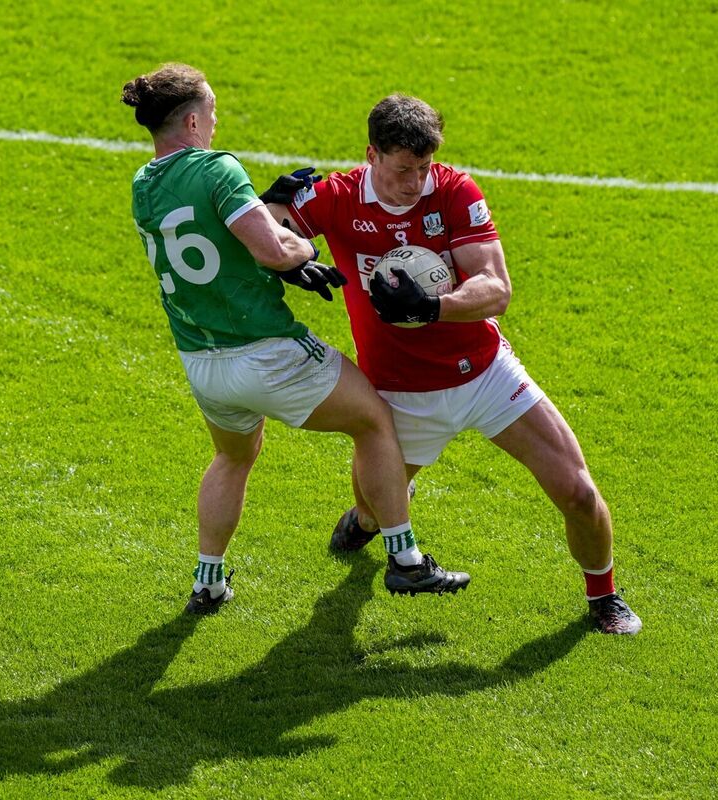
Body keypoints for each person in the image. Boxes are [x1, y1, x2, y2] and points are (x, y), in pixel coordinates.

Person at [259, 93, 641, 634]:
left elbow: (495, 288)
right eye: (401, 170)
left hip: (485, 375)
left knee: (577, 490)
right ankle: (369, 520)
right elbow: (266, 236)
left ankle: (604, 595)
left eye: (423, 168)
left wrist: (431, 307)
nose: (415, 183)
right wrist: (271, 210)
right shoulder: (337, 197)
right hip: (397, 392)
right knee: (373, 510)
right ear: (371, 155)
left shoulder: (455, 191)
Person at [121, 66, 469, 613]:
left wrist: (264, 212)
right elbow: (276, 252)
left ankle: (208, 582)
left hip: (202, 361)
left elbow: (222, 244)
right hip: (266, 350)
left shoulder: (144, 184)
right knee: (375, 420)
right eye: (210, 110)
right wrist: (303, 253)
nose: (214, 120)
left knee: (233, 457)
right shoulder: (217, 168)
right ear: (192, 119)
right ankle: (405, 560)